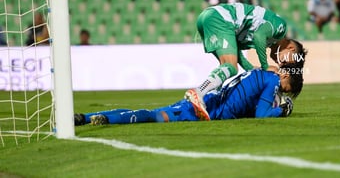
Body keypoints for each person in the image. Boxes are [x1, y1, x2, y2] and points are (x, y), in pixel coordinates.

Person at [185, 2, 305, 121]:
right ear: (291, 49)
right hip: (221, 18)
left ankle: (204, 101)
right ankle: (198, 93)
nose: (280, 63)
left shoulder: (268, 39)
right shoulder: (281, 28)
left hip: (209, 16)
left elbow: (235, 48)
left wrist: (251, 68)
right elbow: (258, 36)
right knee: (231, 67)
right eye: (285, 61)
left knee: (226, 66)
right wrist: (265, 66)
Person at [74, 65, 303, 126]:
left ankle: (87, 117)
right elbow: (262, 115)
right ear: (285, 81)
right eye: (285, 90)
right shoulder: (273, 81)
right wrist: (281, 111)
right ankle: (95, 118)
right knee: (154, 117)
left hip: (212, 102)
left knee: (154, 115)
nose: (281, 92)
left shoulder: (261, 73)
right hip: (208, 111)